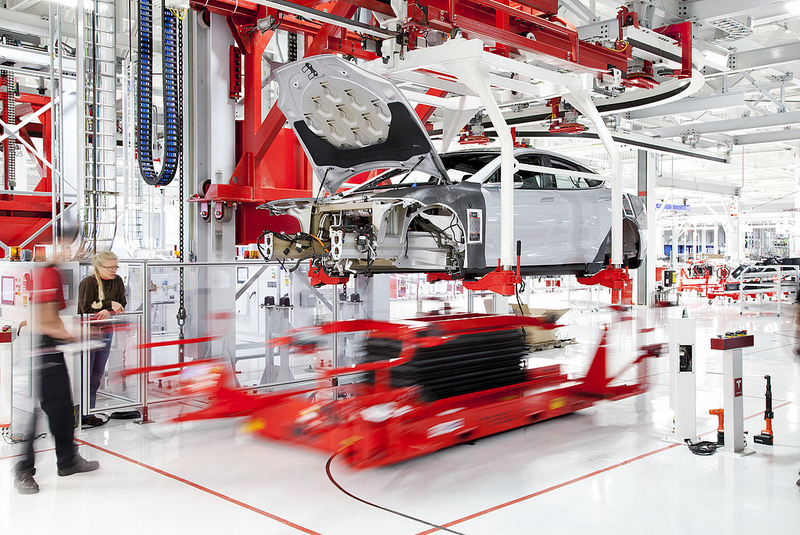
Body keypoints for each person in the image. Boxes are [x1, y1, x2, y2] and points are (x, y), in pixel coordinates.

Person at [13, 261, 100, 494]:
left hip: (51, 351)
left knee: (62, 409)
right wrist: (75, 334)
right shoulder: (49, 273)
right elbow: (43, 320)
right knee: (38, 415)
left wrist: (69, 334)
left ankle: (68, 461)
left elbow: (53, 317)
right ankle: (23, 470)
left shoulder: (55, 272)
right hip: (41, 351)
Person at [77, 252, 126, 426]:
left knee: (96, 375)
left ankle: (88, 411)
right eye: (110, 267)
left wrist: (109, 310)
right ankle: (80, 413)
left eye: (115, 267)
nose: (114, 270)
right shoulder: (88, 283)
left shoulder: (117, 281)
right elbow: (85, 308)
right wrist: (108, 305)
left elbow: (121, 303)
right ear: (98, 267)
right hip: (88, 334)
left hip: (106, 331)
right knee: (85, 374)